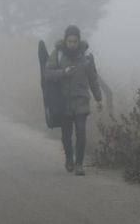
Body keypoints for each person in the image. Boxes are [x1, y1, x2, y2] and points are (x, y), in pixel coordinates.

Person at [44, 25, 103, 175]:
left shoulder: (87, 56)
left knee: (81, 133)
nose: (72, 44)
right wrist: (63, 72)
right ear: (65, 40)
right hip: (63, 102)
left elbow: (93, 79)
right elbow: (48, 74)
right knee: (66, 135)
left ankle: (79, 164)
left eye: (75, 41)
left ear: (79, 40)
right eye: (69, 41)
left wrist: (99, 99)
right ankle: (69, 158)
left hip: (81, 100)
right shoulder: (57, 54)